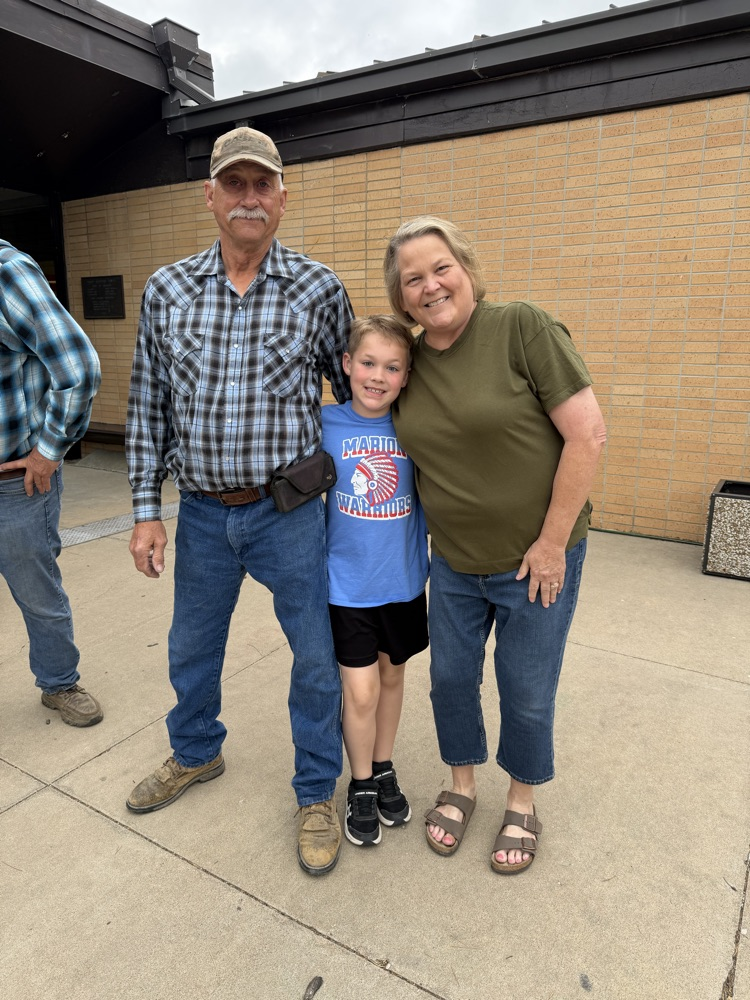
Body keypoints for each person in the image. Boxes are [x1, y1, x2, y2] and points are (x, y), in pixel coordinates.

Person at [125, 127, 353, 876]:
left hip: (289, 513)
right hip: (200, 512)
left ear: (282, 197)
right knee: (192, 646)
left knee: (315, 656)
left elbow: (358, 397)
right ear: (211, 195)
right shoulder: (167, 289)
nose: (248, 198)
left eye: (263, 185)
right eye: (235, 184)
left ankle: (317, 789)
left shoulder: (319, 290)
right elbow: (148, 405)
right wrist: (144, 510)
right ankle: (196, 751)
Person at [383, 216, 607, 874]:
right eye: (413, 279)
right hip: (452, 560)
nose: (430, 286)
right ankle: (461, 785)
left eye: (441, 268)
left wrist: (551, 543)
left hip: (535, 558)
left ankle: (522, 799)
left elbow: (586, 435)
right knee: (450, 680)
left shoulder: (522, 327)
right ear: (401, 299)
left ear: (467, 270)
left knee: (526, 687)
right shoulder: (411, 365)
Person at [321, 315, 429, 847]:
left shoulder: (415, 427)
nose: (378, 376)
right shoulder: (323, 424)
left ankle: (382, 765)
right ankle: (360, 782)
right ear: (346, 365)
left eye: (392, 367)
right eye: (367, 363)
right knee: (358, 691)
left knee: (391, 679)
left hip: (404, 582)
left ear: (407, 376)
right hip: (346, 587)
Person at [0, 240, 103, 727]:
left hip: (12, 484)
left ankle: (59, 681)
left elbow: (78, 370)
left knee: (37, 593)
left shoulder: (7, 272)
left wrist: (48, 451)